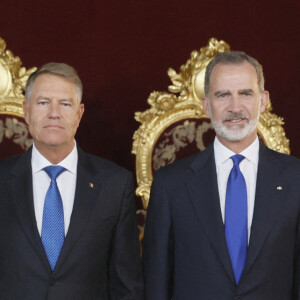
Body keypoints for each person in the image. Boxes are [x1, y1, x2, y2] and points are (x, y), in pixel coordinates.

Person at [142, 51, 300, 299]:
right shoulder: (170, 184)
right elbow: (156, 282)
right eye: (223, 95)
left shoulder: (295, 179)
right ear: (206, 104)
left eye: (246, 94)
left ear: (263, 101)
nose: (235, 107)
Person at [0, 63, 144, 299]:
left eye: (65, 104)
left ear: (79, 114)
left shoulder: (115, 185)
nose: (54, 113)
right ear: (26, 111)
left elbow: (127, 282)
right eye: (43, 103)